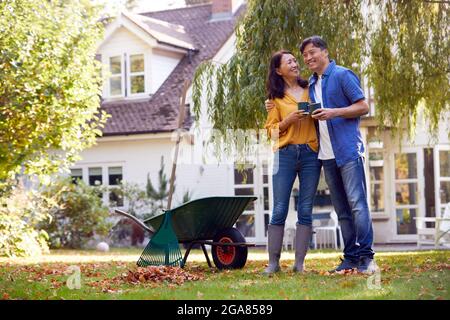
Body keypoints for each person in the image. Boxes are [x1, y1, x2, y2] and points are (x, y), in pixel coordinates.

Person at [266, 36, 376, 274]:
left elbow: (363, 107)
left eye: (310, 53)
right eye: (303, 56)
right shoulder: (309, 85)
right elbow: (271, 131)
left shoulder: (338, 77)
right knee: (342, 209)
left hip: (340, 152)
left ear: (325, 52)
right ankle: (350, 258)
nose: (306, 59)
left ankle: (366, 258)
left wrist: (334, 112)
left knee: (357, 205)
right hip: (321, 155)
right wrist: (284, 116)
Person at [263, 50, 322, 274]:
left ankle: (299, 264)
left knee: (305, 209)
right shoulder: (275, 99)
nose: (295, 63)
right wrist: (288, 120)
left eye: (295, 60)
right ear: (279, 70)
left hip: (310, 153)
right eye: (290, 61)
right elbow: (271, 133)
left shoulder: (312, 89)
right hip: (284, 154)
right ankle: (273, 263)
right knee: (279, 209)